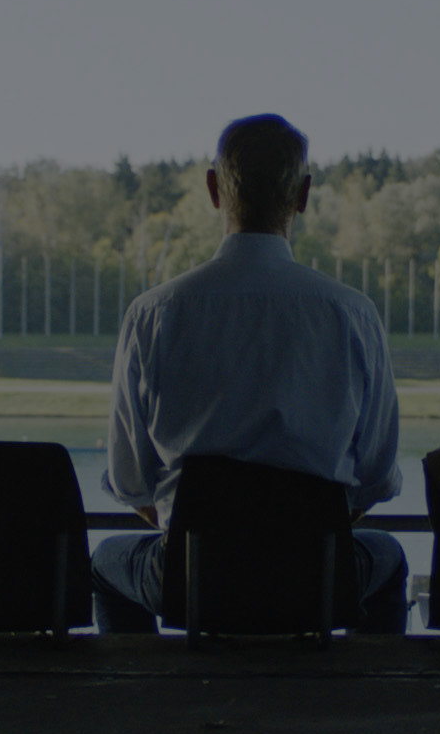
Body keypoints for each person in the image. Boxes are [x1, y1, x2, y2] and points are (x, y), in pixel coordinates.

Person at [93, 113, 406, 626]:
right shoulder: (353, 314)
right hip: (316, 580)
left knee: (107, 560)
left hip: (193, 582)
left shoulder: (152, 314)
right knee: (387, 555)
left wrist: (211, 543)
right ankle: (364, 676)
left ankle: (142, 680)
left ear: (213, 189)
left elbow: (131, 483)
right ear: (303, 195)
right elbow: (374, 477)